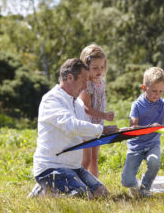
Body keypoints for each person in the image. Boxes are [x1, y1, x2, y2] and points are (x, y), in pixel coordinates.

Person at [29, 58, 117, 198]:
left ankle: (53, 189)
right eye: (83, 81)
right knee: (85, 197)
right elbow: (71, 126)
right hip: (51, 167)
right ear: (70, 77)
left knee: (103, 195)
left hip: (74, 167)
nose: (85, 86)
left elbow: (85, 132)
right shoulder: (51, 100)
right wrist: (102, 129)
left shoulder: (78, 104)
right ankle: (43, 191)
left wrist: (123, 133)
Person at [121, 67, 164, 197]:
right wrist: (151, 127)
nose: (157, 94)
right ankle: (136, 185)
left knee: (154, 161)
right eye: (154, 91)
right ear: (144, 88)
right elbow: (133, 127)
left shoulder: (163, 103)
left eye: (161, 91)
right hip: (136, 145)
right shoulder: (137, 105)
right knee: (126, 181)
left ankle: (145, 188)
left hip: (152, 144)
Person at [79, 44, 114, 178]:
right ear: (86, 66)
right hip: (88, 124)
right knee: (86, 159)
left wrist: (103, 117)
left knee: (94, 158)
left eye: (102, 67)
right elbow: (86, 108)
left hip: (98, 124)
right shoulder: (86, 84)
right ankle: (78, 183)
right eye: (95, 68)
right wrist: (104, 115)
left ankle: (94, 184)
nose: (99, 71)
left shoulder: (101, 81)